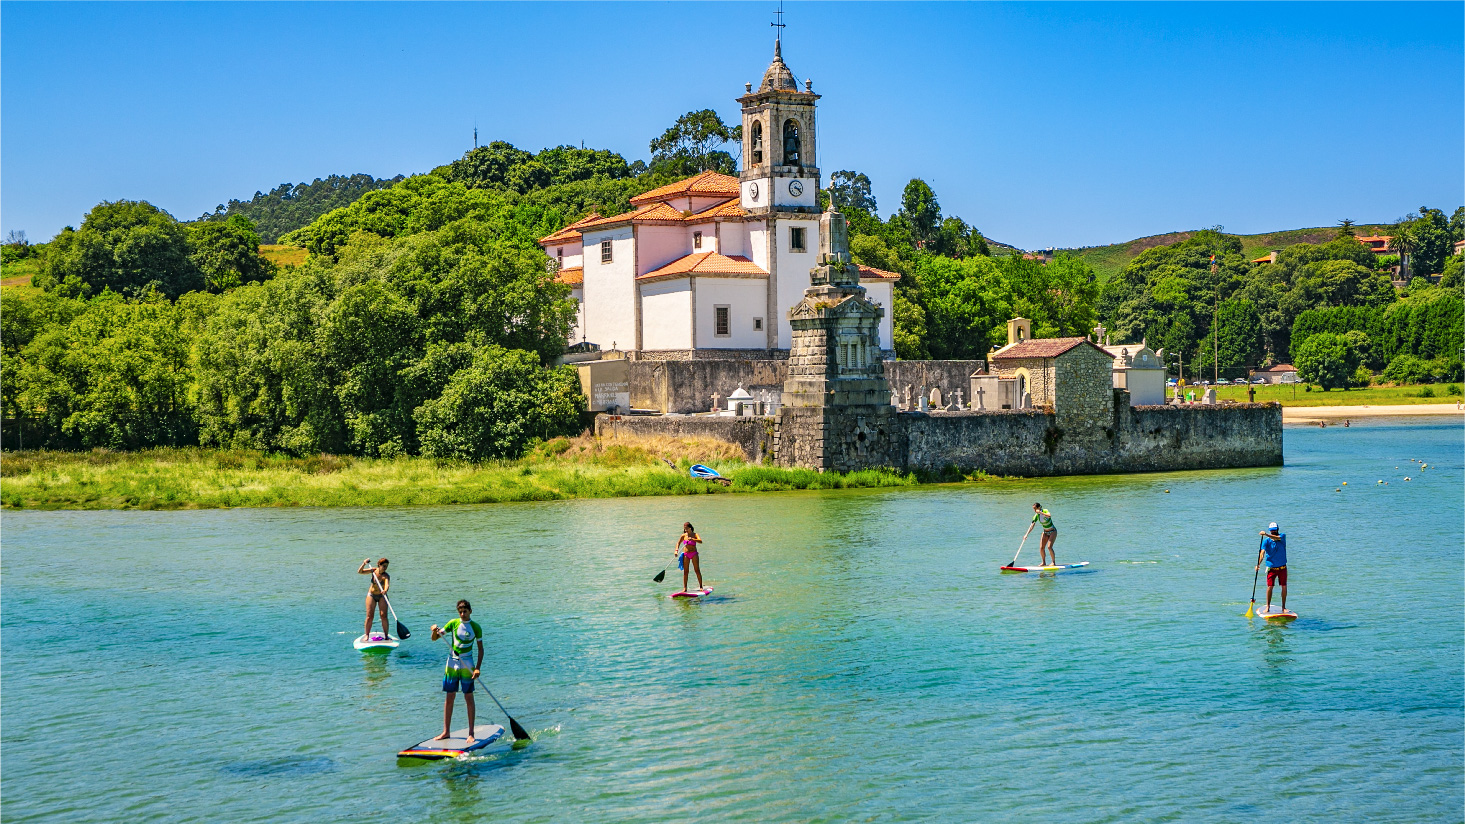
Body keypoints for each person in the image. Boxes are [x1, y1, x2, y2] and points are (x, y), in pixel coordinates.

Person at [430, 600, 484, 745]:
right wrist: (434, 631)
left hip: (467, 663)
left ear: (470, 611)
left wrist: (477, 668)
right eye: (460, 612)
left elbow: (480, 649)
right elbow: (435, 638)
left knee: (468, 697)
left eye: (465, 611)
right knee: (450, 697)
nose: (462, 614)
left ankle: (471, 733)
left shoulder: (476, 627)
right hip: (452, 663)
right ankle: (446, 731)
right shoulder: (453, 623)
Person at [356, 557, 391, 640]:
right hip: (371, 595)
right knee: (369, 616)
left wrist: (385, 590)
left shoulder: (386, 576)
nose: (385, 568)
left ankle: (386, 635)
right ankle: (367, 635)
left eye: (386, 566)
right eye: (384, 566)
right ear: (379, 565)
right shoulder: (373, 570)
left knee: (383, 616)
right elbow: (360, 571)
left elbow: (387, 585)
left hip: (382, 596)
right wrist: (364, 563)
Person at [1256, 523, 1288, 612]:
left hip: (1282, 568)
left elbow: (1276, 538)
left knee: (1284, 586)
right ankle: (1268, 606)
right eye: (1272, 530)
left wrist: (1266, 534)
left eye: (1275, 530)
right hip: (1271, 568)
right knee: (1270, 587)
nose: (1273, 531)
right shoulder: (1266, 541)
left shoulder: (1282, 536)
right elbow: (1262, 553)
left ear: (1277, 529)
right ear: (1270, 530)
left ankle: (1283, 607)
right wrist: (1258, 564)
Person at [676, 522, 704, 592]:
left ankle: (701, 586)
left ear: (690, 528)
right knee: (686, 571)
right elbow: (678, 543)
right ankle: (685, 588)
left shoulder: (695, 534)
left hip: (694, 554)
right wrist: (676, 550)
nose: (685, 530)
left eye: (686, 528)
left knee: (697, 570)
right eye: (684, 529)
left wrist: (693, 539)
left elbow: (700, 541)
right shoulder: (683, 535)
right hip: (686, 554)